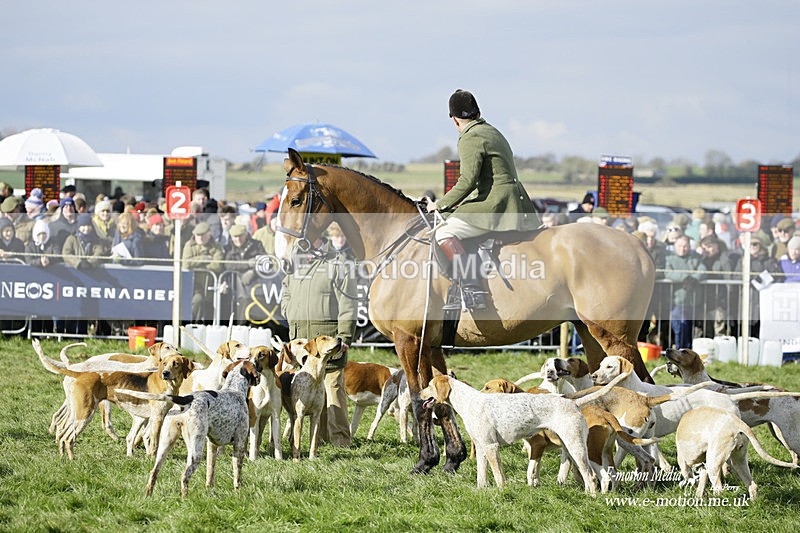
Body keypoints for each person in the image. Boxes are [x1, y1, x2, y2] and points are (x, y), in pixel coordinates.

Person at [425, 89, 538, 310]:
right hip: (515, 200)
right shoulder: (492, 131)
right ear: (478, 112)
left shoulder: (470, 137)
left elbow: (467, 180)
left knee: (443, 231)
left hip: (497, 204)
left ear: (454, 120)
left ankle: (472, 289)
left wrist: (438, 204)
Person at [281, 224, 357, 447]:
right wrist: (288, 308)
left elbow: (348, 304)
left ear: (316, 239)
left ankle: (340, 441)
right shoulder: (294, 264)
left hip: (328, 342)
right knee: (310, 390)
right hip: (302, 344)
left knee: (333, 390)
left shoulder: (338, 263)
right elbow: (286, 291)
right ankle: (319, 439)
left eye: (304, 239)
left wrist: (344, 336)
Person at [664, 235, 706, 349]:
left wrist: (693, 279)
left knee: (690, 330)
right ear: (675, 246)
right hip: (677, 301)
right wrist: (685, 278)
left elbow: (703, 271)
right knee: (679, 329)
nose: (682, 248)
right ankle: (678, 354)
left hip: (693, 301)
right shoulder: (669, 258)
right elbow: (667, 273)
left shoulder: (695, 257)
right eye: (679, 246)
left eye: (685, 246)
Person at [182, 222, 224, 321]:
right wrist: (204, 258)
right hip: (193, 286)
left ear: (209, 235)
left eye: (203, 235)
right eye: (198, 235)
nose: (200, 238)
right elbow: (186, 263)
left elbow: (218, 265)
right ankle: (193, 325)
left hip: (211, 286)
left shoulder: (216, 246)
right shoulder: (189, 245)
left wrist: (197, 264)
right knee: (197, 301)